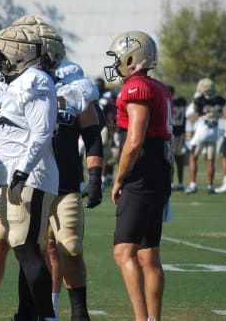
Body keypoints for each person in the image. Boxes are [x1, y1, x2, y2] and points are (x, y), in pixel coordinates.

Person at [0, 23, 60, 321]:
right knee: (23, 250)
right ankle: (27, 314)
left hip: (30, 175)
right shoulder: (13, 82)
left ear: (19, 55)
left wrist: (23, 172)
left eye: (1, 55)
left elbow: (41, 131)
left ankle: (47, 316)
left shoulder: (35, 80)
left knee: (26, 248)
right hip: (10, 174)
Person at [104, 30, 172, 321]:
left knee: (123, 252)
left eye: (119, 58)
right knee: (148, 255)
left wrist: (119, 178)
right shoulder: (157, 87)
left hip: (143, 171)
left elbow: (134, 141)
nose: (116, 64)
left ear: (133, 58)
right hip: (159, 169)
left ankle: (142, 319)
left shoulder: (136, 87)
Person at [47, 59, 103, 321]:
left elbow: (92, 136)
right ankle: (39, 310)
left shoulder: (75, 87)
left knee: (70, 246)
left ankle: (79, 313)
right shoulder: (18, 84)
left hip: (65, 184)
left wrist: (94, 178)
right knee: (29, 250)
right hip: (29, 182)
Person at [183, 78, 225, 194]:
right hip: (214, 133)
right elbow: (222, 111)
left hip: (202, 132)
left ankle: (193, 185)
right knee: (210, 160)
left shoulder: (199, 100)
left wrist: (197, 100)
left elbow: (193, 112)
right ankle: (210, 186)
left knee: (193, 157)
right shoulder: (220, 100)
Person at [168, 86, 187, 192]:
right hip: (180, 134)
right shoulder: (182, 101)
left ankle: (171, 183)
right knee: (179, 160)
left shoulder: (168, 102)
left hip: (172, 134)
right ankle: (180, 183)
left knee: (171, 160)